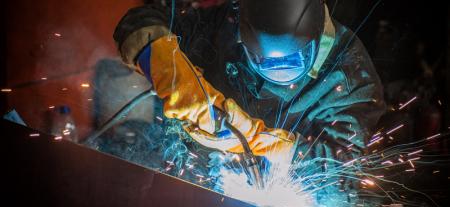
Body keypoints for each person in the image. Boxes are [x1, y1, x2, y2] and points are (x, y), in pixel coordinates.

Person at [113, 0, 385, 183]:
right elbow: (140, 21)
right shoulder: (226, 23)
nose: (278, 68)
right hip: (189, 181)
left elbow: (349, 180)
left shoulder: (350, 75)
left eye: (293, 58)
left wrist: (263, 141)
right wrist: (168, 69)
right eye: (263, 59)